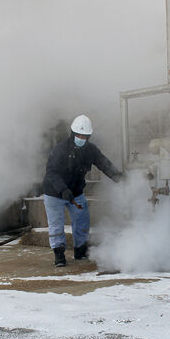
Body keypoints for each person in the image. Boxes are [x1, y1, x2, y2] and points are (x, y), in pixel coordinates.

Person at [42, 114, 122, 267]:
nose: (81, 138)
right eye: (78, 135)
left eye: (84, 136)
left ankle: (80, 250)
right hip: (54, 193)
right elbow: (51, 173)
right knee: (56, 224)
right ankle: (59, 254)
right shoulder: (60, 150)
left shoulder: (90, 150)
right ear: (72, 134)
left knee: (82, 221)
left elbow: (103, 162)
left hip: (76, 192)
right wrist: (63, 189)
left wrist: (117, 176)